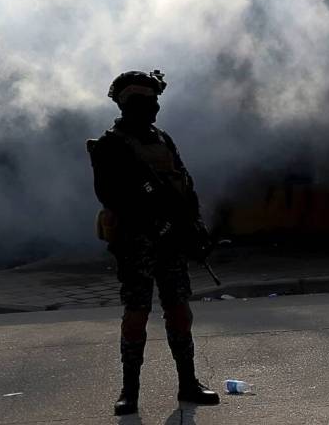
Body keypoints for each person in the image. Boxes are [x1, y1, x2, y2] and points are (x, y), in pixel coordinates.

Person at [88, 69, 220, 415]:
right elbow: (112, 195)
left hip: (171, 240)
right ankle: (129, 391)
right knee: (137, 312)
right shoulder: (111, 146)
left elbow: (183, 184)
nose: (154, 108)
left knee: (179, 309)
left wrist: (194, 225)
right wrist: (153, 222)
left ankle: (188, 383)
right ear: (128, 104)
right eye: (146, 101)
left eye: (155, 101)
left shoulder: (162, 139)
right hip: (136, 242)